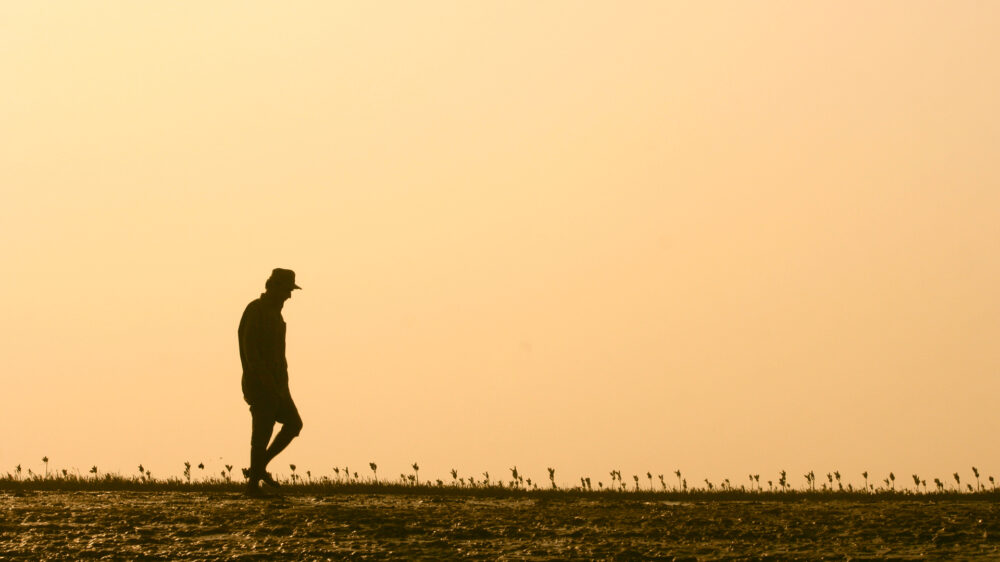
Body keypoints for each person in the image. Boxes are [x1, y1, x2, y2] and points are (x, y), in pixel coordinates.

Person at [238, 268, 304, 496]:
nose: (289, 295)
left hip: (278, 385)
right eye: (286, 290)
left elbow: (280, 355)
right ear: (273, 287)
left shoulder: (277, 316)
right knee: (262, 433)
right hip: (259, 384)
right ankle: (252, 485)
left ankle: (258, 468)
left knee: (294, 424)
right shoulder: (255, 310)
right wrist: (265, 381)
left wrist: (282, 384)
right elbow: (250, 351)